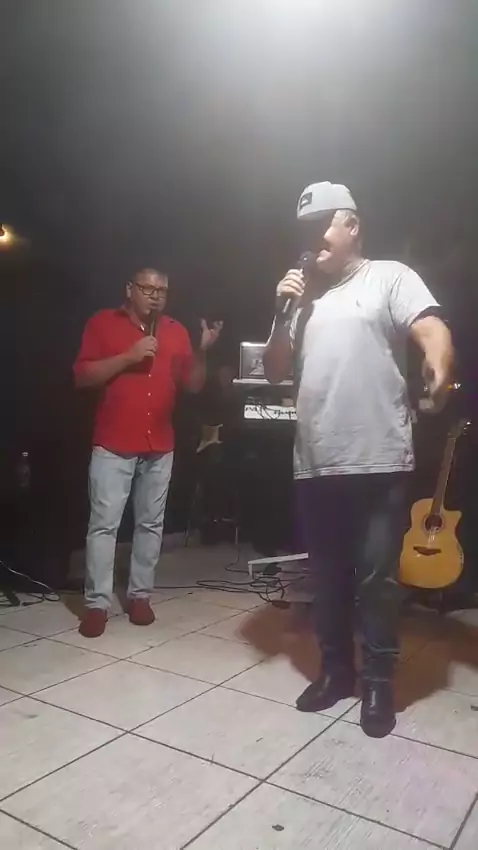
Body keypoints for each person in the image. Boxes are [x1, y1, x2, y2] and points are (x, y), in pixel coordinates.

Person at [263, 183, 454, 737]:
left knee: (376, 580)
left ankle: (377, 683)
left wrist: (438, 361)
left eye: (324, 224)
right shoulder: (302, 299)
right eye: (305, 228)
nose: (313, 237)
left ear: (353, 226)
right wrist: (279, 315)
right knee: (327, 578)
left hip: (379, 459)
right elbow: (275, 371)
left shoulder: (388, 277)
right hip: (316, 461)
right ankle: (336, 673)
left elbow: (431, 328)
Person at [74, 268, 222, 637]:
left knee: (151, 524)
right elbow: (83, 376)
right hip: (113, 442)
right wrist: (129, 356)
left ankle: (140, 596)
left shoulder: (175, 330)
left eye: (162, 290)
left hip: (160, 443)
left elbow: (193, 385)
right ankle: (97, 604)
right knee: (104, 525)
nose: (155, 296)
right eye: (147, 288)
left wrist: (203, 351)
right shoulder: (103, 323)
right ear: (130, 289)